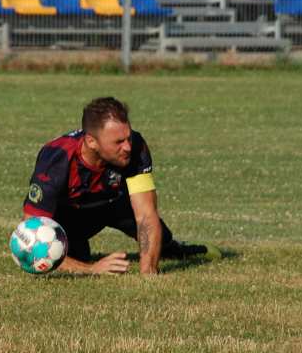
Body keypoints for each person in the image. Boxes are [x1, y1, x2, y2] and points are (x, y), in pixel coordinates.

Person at [21, 97, 214, 275]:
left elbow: (146, 214)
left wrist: (148, 272)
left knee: (159, 242)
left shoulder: (136, 148)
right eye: (118, 142)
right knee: (74, 256)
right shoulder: (57, 159)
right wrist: (92, 269)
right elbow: (32, 236)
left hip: (114, 205)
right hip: (71, 216)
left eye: (128, 137)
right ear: (91, 141)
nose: (128, 146)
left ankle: (174, 248)